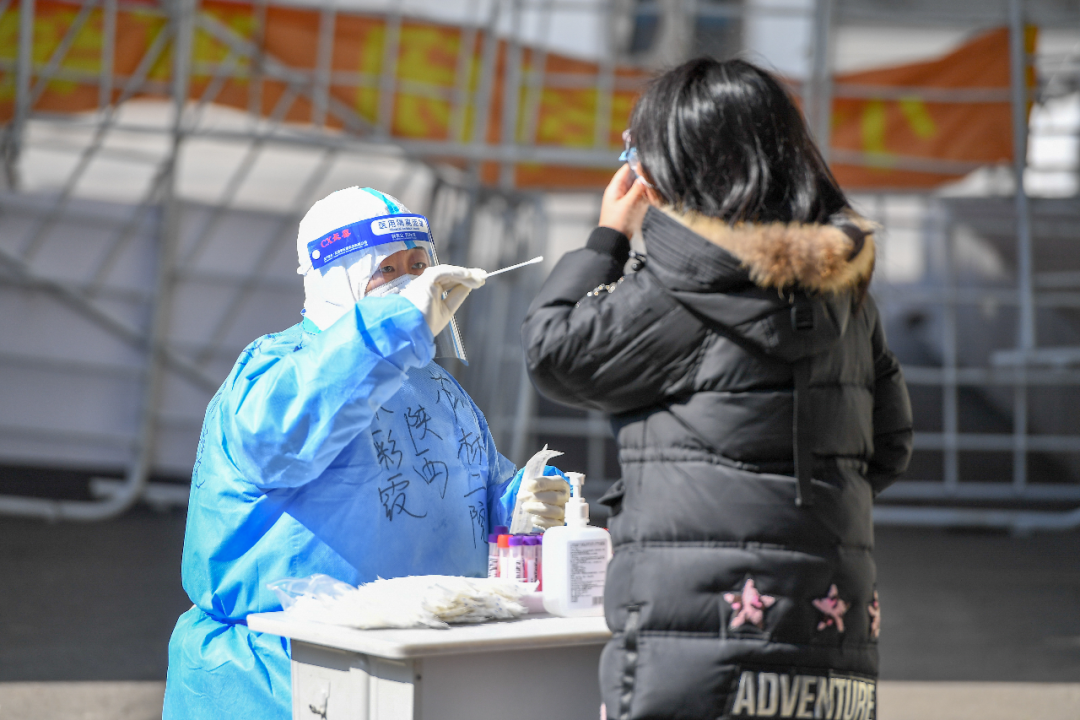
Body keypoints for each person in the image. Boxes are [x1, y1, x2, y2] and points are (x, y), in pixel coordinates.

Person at [521, 58, 913, 720]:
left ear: (669, 166)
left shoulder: (679, 292)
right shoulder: (845, 295)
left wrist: (606, 239)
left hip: (693, 645)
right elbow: (889, 446)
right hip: (831, 635)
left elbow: (553, 352)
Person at [163, 186, 569, 719]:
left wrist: (515, 504)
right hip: (280, 677)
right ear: (336, 275)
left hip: (414, 664)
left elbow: (464, 490)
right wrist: (395, 329)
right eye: (387, 269)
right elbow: (281, 441)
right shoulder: (277, 369)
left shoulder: (437, 387)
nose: (410, 282)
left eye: (419, 265)